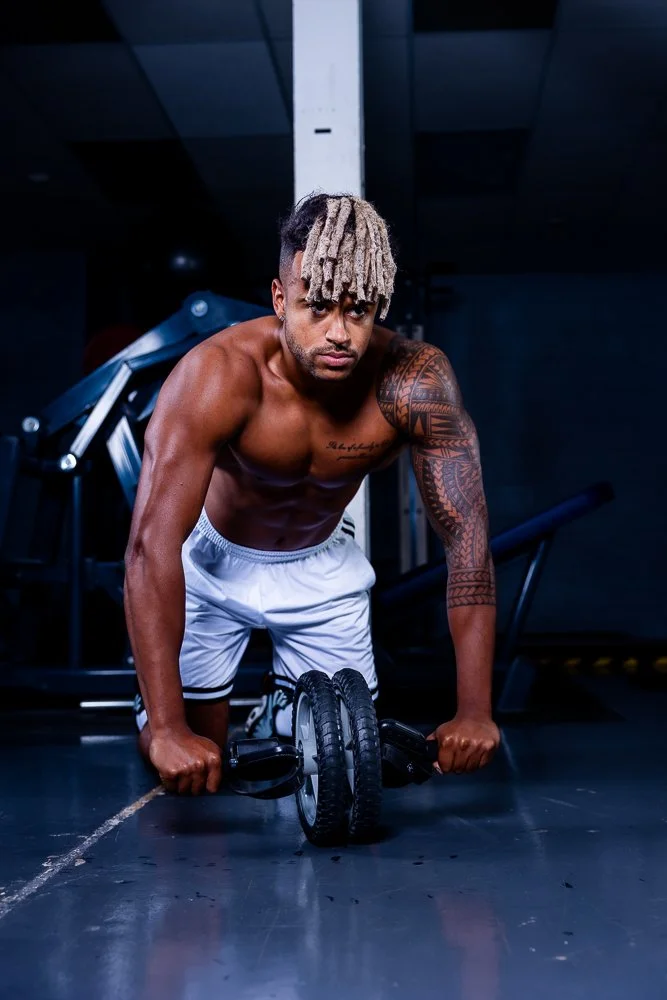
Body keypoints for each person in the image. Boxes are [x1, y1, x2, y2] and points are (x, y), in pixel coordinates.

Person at [124, 193, 501, 796]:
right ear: (280, 299)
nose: (338, 333)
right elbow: (150, 547)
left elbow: (467, 538)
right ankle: (170, 711)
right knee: (195, 760)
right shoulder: (218, 375)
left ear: (379, 306)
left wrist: (475, 710)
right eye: (317, 307)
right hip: (213, 564)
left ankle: (282, 709)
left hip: (321, 564)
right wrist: (168, 729)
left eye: (358, 311)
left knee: (345, 761)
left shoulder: (414, 382)